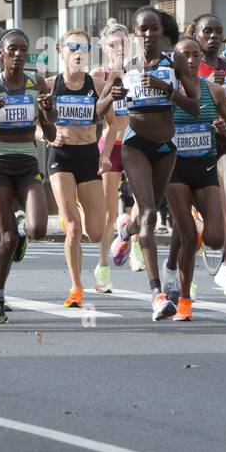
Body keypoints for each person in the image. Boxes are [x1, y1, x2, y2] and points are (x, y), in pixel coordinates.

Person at [110, 6, 200, 321]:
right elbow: (101, 107)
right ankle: (156, 294)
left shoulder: (174, 61)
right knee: (149, 214)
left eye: (153, 29)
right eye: (142, 29)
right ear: (135, 33)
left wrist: (167, 90)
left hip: (166, 147)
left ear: (161, 31)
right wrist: (114, 95)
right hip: (135, 145)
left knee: (144, 217)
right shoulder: (127, 65)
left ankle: (126, 231)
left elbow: (195, 105)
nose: (148, 34)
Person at [0, 29, 54, 323]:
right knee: (4, 238)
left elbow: (51, 132)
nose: (18, 54)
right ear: (1, 56)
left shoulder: (37, 83)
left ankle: (23, 228)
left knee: (38, 230)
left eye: (23, 49)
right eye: (12, 50)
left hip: (28, 163)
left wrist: (47, 111)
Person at [161, 35, 226, 319]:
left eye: (195, 55)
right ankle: (183, 301)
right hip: (175, 169)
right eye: (185, 55)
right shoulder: (165, 91)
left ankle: (188, 228)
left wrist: (224, 126)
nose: (192, 61)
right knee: (190, 237)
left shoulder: (214, 91)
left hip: (205, 166)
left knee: (216, 239)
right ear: (175, 60)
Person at [47, 30, 119, 307]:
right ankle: (77, 288)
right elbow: (37, 127)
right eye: (72, 47)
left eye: (83, 48)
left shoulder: (97, 85)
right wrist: (49, 136)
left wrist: (105, 155)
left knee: (96, 232)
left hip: (89, 156)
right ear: (61, 50)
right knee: (74, 229)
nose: (78, 52)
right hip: (61, 157)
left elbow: (112, 125)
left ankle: (73, 210)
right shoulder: (50, 84)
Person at [188, 13, 226, 297]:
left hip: (224, 139)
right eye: (207, 32)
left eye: (218, 31)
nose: (213, 37)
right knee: (199, 211)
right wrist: (206, 89)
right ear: (197, 35)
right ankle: (181, 270)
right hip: (193, 141)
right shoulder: (187, 63)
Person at [93, 21, 137, 275]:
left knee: (145, 199)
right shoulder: (98, 75)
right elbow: (96, 112)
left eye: (122, 43)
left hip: (134, 144)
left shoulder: (138, 71)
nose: (118, 48)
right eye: (112, 44)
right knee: (108, 211)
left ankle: (132, 237)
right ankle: (103, 265)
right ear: (103, 48)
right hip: (109, 146)